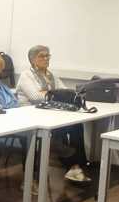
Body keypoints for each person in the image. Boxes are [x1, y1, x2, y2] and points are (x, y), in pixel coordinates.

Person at [15, 45, 89, 182]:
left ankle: (75, 165)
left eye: (47, 55)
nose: (46, 58)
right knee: (58, 131)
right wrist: (53, 93)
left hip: (49, 113)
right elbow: (35, 97)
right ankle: (70, 162)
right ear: (32, 59)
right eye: (42, 56)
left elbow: (66, 92)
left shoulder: (51, 75)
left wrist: (49, 93)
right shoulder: (26, 75)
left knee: (76, 125)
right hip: (30, 116)